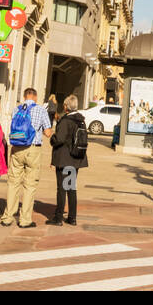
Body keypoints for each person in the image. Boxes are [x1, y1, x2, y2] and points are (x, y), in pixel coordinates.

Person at [1, 87, 52, 228]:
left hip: (16, 148)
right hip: (32, 150)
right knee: (30, 185)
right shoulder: (41, 110)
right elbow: (48, 133)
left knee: (13, 183)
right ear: (35, 97)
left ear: (24, 97)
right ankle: (24, 220)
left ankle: (7, 217)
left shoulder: (16, 109)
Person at [49, 94, 88, 226]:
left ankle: (58, 217)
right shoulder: (81, 120)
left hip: (64, 158)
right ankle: (72, 217)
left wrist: (52, 139)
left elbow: (59, 139)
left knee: (61, 189)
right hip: (75, 158)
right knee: (71, 187)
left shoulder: (66, 121)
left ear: (66, 107)